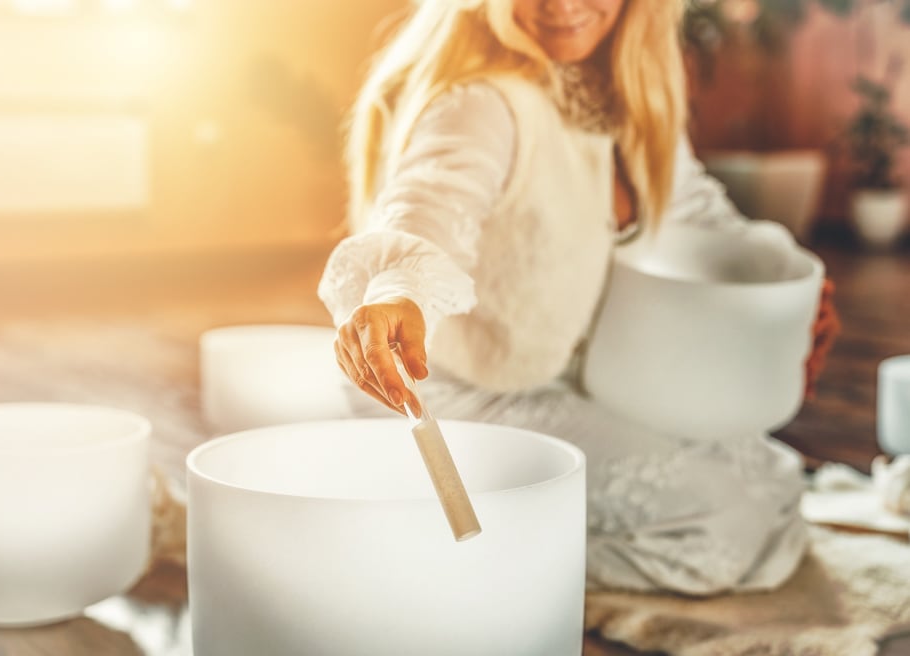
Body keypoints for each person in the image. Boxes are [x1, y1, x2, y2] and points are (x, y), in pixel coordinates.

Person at [317, 0, 839, 595]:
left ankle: (502, 528)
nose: (562, 5)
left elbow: (697, 213)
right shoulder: (480, 105)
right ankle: (453, 558)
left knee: (770, 476)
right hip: (461, 391)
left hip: (559, 378)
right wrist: (397, 292)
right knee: (726, 521)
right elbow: (428, 207)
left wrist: (796, 284)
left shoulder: (616, 93)